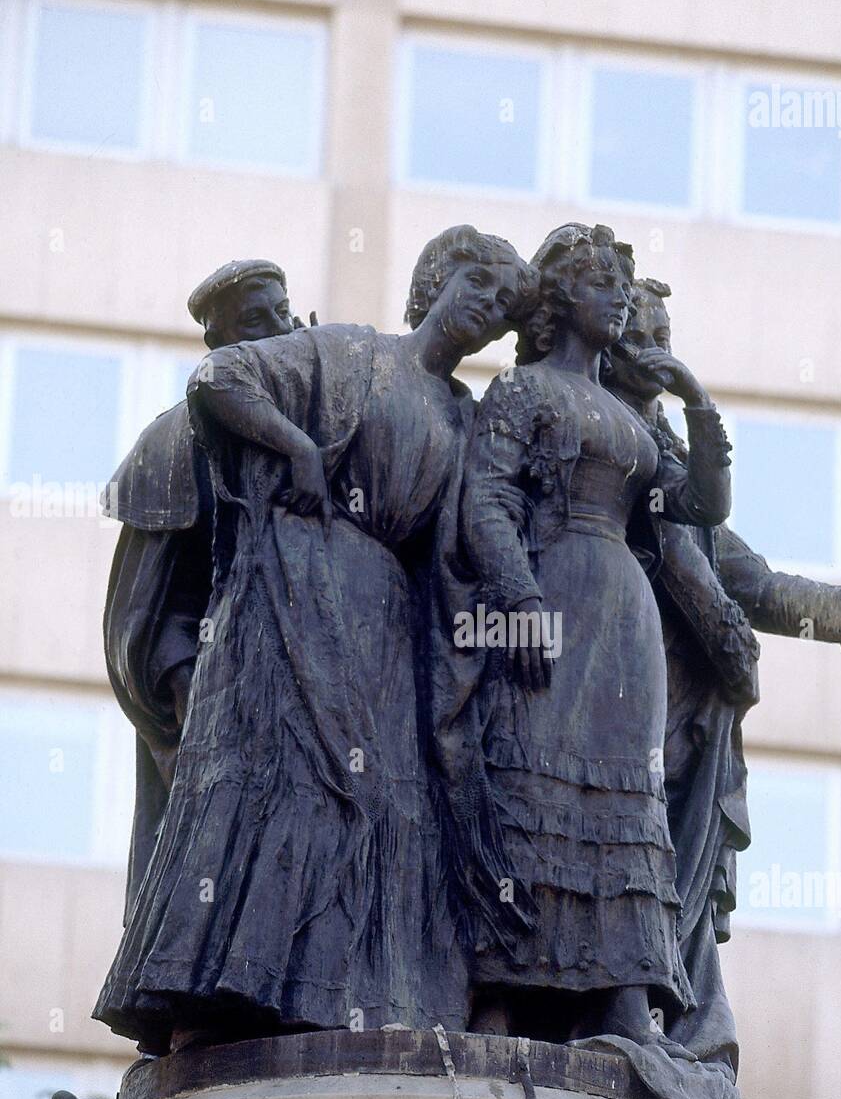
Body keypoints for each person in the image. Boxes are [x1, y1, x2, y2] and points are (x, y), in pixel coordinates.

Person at [93, 227, 537, 1055]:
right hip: (301, 592)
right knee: (289, 787)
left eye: (502, 311)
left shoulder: (462, 415)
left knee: (381, 806)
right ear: (436, 281)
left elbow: (464, 543)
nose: (485, 313)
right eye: (476, 287)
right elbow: (220, 380)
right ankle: (229, 993)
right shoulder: (352, 353)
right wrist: (298, 447)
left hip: (388, 625)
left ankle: (365, 997)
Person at [606, 275, 841, 1073]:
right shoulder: (599, 443)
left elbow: (756, 584)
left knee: (683, 895)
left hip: (694, 719)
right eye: (646, 329)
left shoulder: (671, 458)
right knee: (627, 865)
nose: (661, 346)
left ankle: (686, 1039)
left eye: (668, 329)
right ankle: (617, 1019)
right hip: (618, 703)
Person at [442, 224, 735, 1055]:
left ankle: (619, 997)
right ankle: (500, 989)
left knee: (624, 802)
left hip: (623, 614)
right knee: (527, 785)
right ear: (562, 297)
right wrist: (520, 598)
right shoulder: (523, 391)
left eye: (619, 282)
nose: (617, 297)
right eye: (601, 282)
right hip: (551, 590)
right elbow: (487, 500)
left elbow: (700, 506)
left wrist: (694, 397)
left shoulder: (628, 417)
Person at [102, 260, 305, 917]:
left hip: (301, 692)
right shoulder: (177, 439)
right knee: (208, 869)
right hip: (208, 692)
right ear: (218, 343)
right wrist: (189, 690)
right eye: (254, 322)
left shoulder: (315, 428)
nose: (276, 331)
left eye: (281, 313)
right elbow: (145, 613)